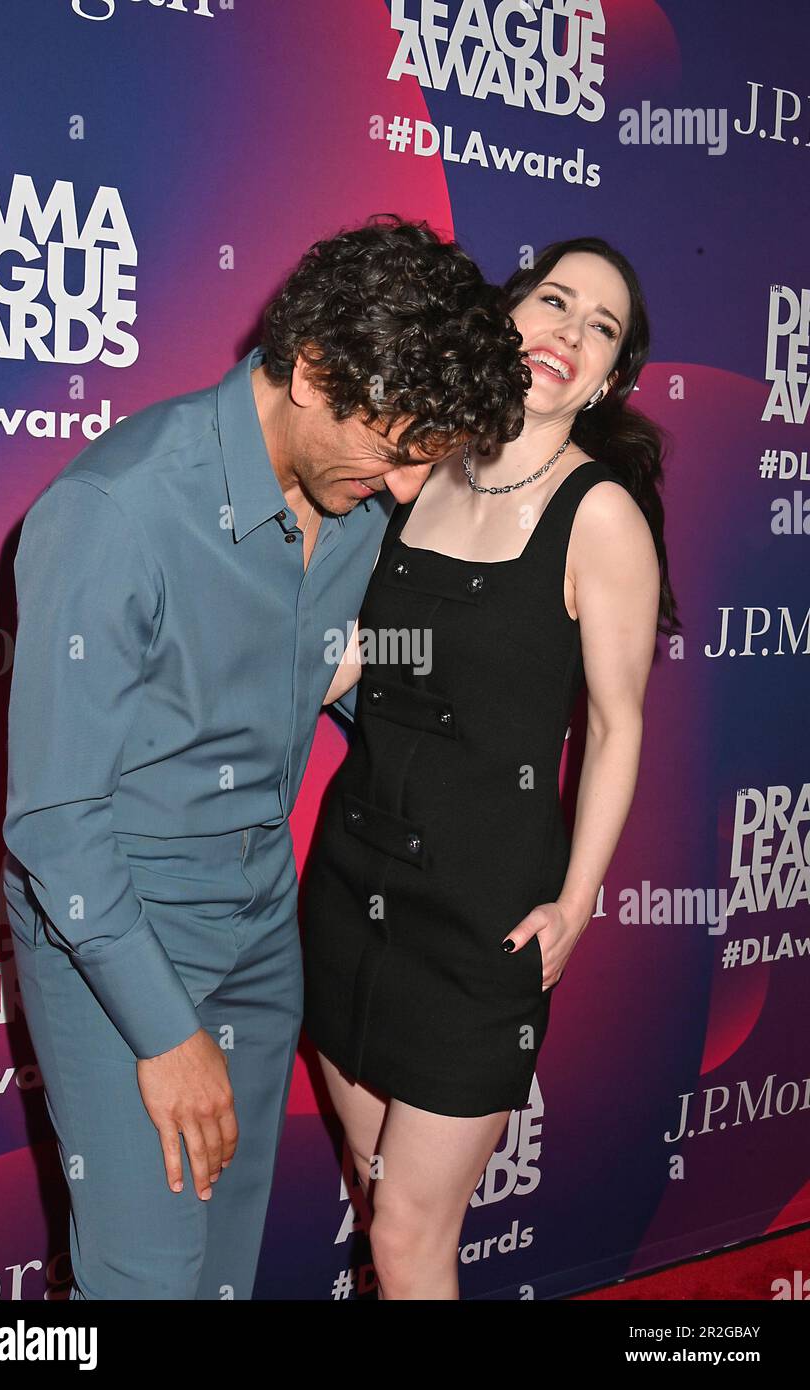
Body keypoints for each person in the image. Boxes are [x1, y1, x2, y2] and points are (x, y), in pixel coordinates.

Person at [1, 213, 528, 1300]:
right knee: (146, 1279)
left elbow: (335, 661)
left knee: (225, 1269)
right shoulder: (116, 514)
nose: (396, 487)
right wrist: (164, 1032)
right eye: (391, 448)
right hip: (118, 928)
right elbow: (54, 824)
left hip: (258, 915)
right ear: (312, 369)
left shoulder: (356, 498)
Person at [301, 236, 680, 1301]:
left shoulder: (599, 515)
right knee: (387, 1209)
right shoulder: (422, 471)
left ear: (609, 377)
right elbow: (402, 653)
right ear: (508, 316)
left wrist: (577, 898)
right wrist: (311, 669)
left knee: (412, 1236)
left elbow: (616, 723)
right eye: (555, 300)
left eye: (600, 326)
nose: (569, 329)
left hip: (479, 921)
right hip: (350, 886)